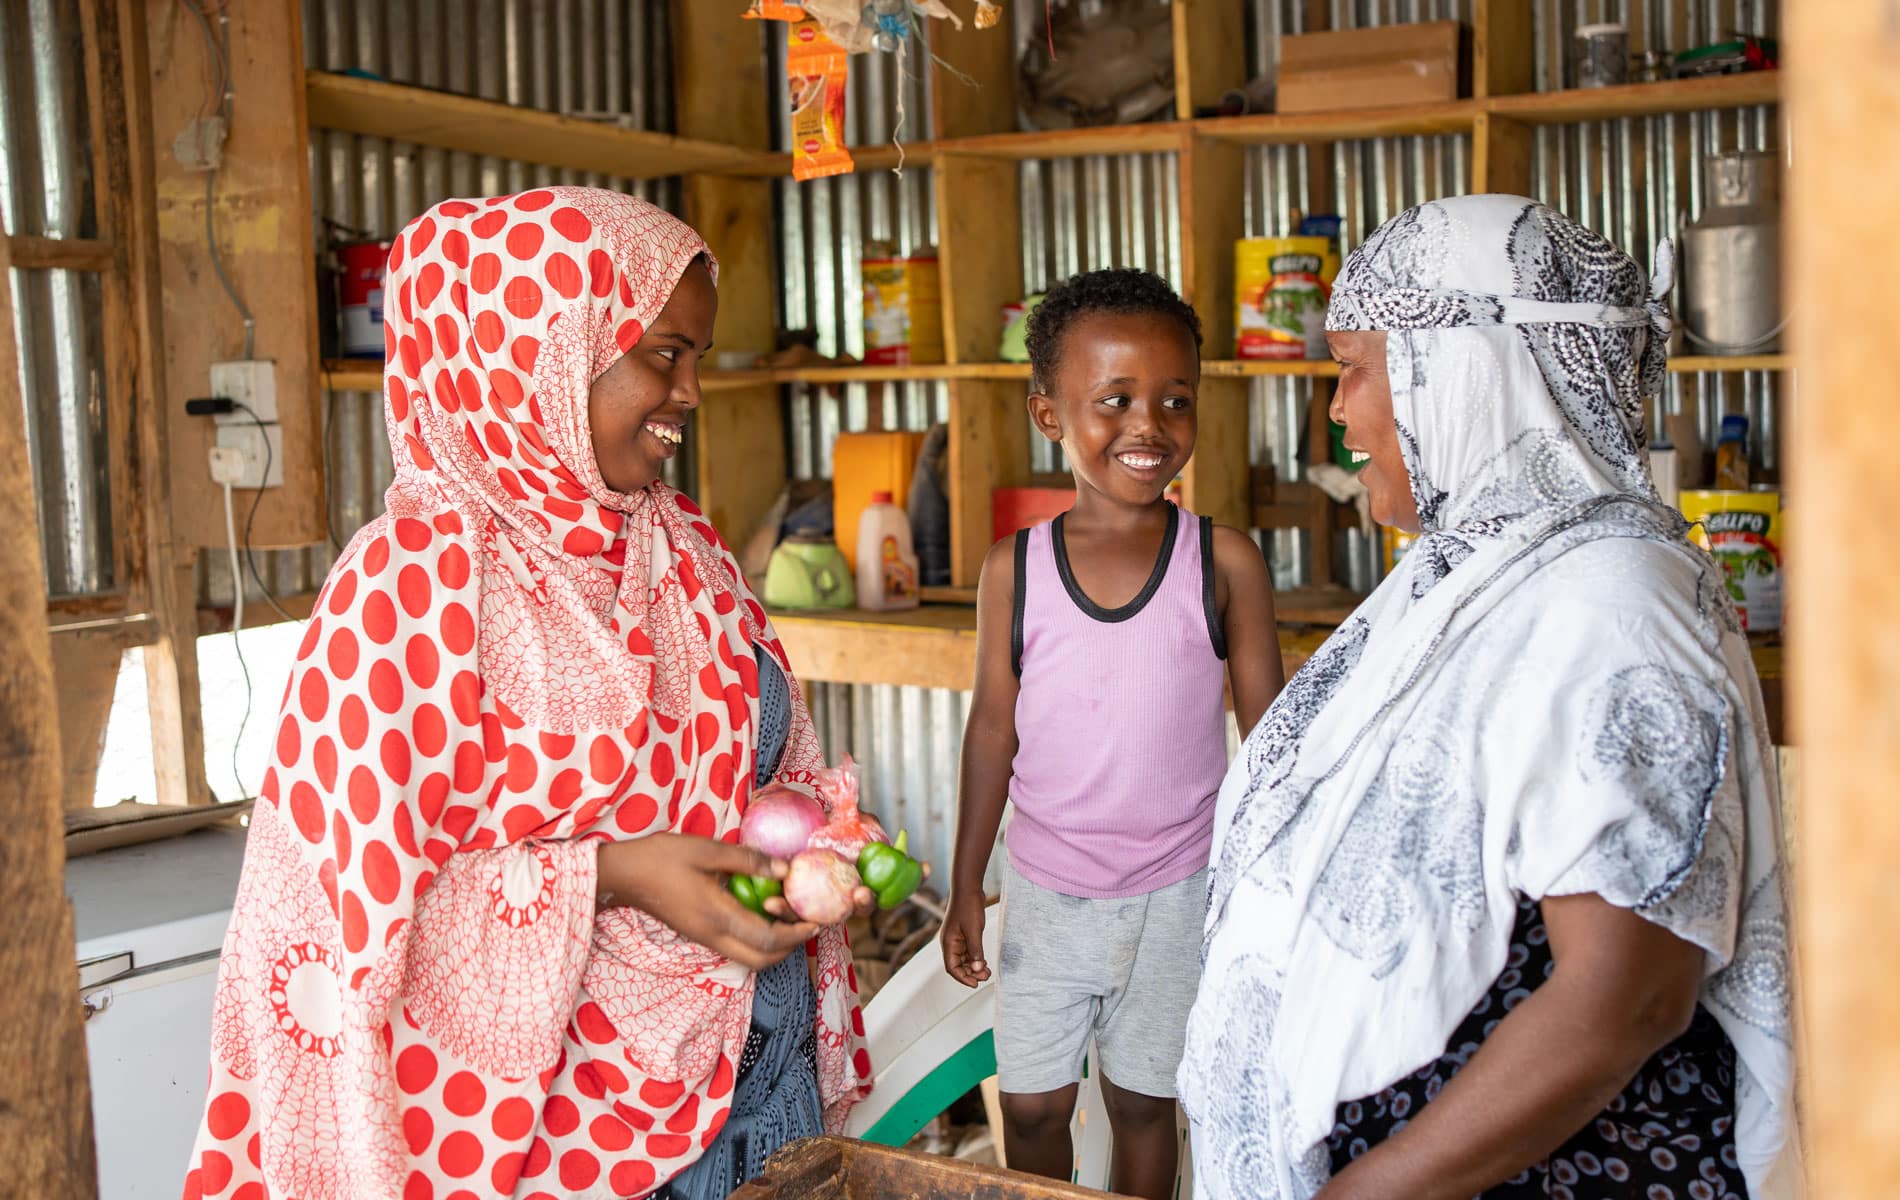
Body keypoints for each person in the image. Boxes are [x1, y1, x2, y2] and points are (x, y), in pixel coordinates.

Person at [182, 188, 874, 1200]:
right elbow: (336, 924)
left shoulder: (684, 553)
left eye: (696, 359)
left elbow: (767, 769)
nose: (689, 392)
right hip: (548, 1145)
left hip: (756, 1088)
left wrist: (822, 840)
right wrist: (613, 875)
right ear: (541, 352)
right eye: (662, 354)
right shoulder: (413, 587)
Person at [1179, 195, 1800, 1200]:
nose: (1336, 410)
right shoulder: (1472, 578)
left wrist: (1365, 1193)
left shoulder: (1610, 606)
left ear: (1455, 371)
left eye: (1354, 369)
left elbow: (1626, 996)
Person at [943, 268, 1285, 1200]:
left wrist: (1267, 893)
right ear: (1048, 413)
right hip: (1048, 893)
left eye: (1177, 400)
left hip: (1182, 890)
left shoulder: (1224, 562)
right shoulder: (1015, 569)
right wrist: (968, 880)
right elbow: (991, 735)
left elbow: (1275, 748)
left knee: (1145, 1104)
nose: (1150, 426)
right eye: (1115, 401)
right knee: (1038, 1111)